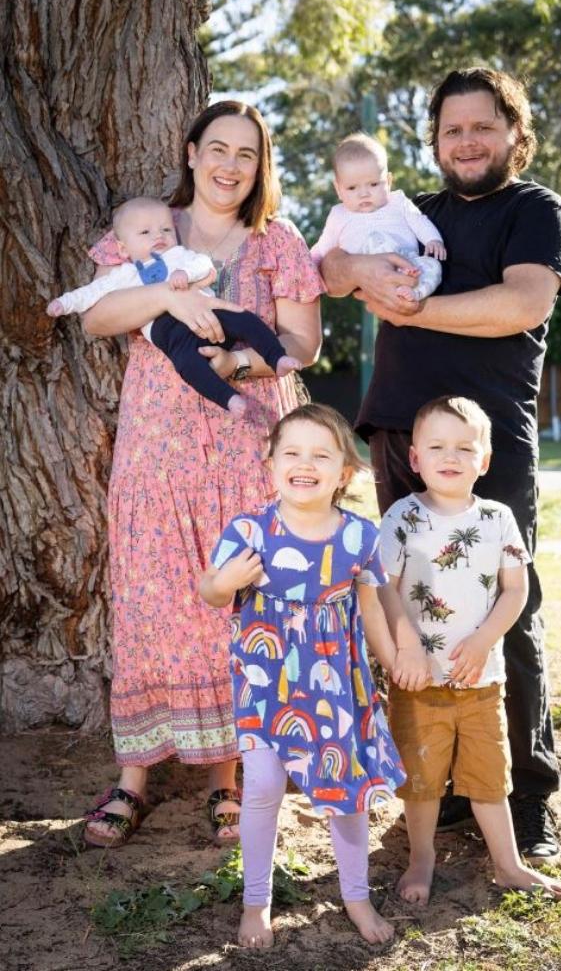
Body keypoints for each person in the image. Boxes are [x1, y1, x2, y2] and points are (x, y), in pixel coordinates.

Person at [320, 67, 561, 863]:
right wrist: (361, 273)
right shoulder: (404, 211)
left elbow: (524, 303)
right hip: (398, 434)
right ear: (433, 143)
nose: (466, 142)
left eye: (481, 127)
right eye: (451, 130)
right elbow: (327, 270)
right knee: (410, 612)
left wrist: (414, 306)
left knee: (507, 611)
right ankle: (439, 790)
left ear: (514, 134)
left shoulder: (535, 211)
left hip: (483, 446)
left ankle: (523, 796)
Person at [80, 101, 323, 848]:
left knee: (236, 607)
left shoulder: (277, 241)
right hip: (156, 451)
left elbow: (302, 345)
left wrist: (234, 362)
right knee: (151, 603)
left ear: (260, 166)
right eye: (217, 148)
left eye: (246, 154)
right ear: (191, 153)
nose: (229, 165)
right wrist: (164, 297)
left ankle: (229, 779)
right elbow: (95, 318)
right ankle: (132, 779)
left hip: (245, 449)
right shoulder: (149, 229)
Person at [200, 403, 422, 948]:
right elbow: (210, 592)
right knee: (264, 787)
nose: (306, 464)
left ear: (344, 472)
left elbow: (371, 611)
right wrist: (224, 580)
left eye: (321, 454)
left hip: (336, 689)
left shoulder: (359, 538)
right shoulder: (249, 529)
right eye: (292, 453)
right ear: (270, 463)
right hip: (264, 682)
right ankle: (257, 903)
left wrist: (394, 663)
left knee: (346, 793)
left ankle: (356, 895)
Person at [380, 396, 561, 903]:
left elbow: (516, 590)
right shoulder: (402, 517)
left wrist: (485, 640)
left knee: (490, 777)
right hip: (418, 680)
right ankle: (421, 859)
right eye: (437, 445)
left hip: (481, 679)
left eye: (465, 447)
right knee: (420, 780)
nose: (451, 455)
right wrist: (408, 648)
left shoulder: (498, 518)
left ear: (484, 461)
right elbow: (384, 589)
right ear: (415, 458)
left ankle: (508, 865)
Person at [48, 197, 302, 418]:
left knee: (245, 320)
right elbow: (90, 295)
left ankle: (276, 357)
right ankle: (228, 399)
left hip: (209, 313)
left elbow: (203, 265)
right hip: (168, 330)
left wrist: (184, 272)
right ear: (123, 248)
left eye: (166, 229)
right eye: (145, 233)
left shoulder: (178, 255)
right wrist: (64, 303)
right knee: (186, 364)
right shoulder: (123, 275)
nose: (158, 236)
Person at [311, 133, 446, 302]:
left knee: (433, 266)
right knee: (374, 239)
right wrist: (308, 263)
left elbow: (419, 220)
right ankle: (402, 287)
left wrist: (433, 239)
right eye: (352, 188)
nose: (364, 193)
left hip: (408, 262)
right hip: (371, 270)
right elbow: (324, 246)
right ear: (338, 189)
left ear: (388, 181)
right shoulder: (339, 215)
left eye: (374, 184)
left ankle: (415, 292)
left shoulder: (398, 202)